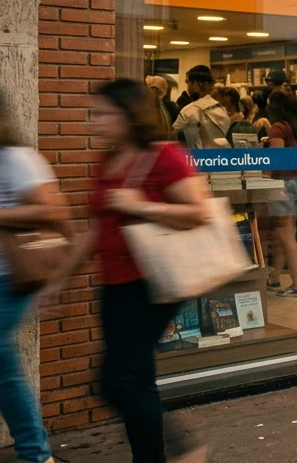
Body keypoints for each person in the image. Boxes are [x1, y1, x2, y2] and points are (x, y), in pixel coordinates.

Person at [83, 79, 210, 463]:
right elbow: (97, 227)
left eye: (104, 113)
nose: (95, 122)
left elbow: (198, 212)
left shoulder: (163, 156)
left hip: (152, 284)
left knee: (120, 381)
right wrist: (58, 277)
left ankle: (174, 452)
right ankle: (174, 452)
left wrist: (142, 206)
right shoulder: (109, 159)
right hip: (115, 283)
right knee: (129, 381)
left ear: (128, 116)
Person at [0, 94, 67, 463]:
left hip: (9, 278)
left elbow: (53, 209)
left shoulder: (17, 159)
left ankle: (36, 454)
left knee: (3, 367)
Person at [260, 91, 297, 297]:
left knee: (286, 235)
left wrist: (265, 178)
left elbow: (276, 158)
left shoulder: (278, 128)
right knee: (285, 231)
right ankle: (275, 278)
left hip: (284, 183)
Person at [171, 66, 230, 149]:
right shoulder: (222, 110)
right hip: (222, 159)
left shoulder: (189, 111)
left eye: (188, 82)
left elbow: (171, 137)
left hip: (198, 159)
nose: (188, 87)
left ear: (196, 83)